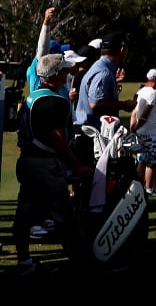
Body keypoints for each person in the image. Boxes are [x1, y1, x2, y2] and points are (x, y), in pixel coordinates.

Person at [12, 53, 94, 275]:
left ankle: (24, 261)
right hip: (46, 164)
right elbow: (57, 137)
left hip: (27, 161)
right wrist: (76, 166)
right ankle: (80, 261)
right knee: (62, 215)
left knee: (25, 212)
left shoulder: (32, 97)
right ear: (56, 74)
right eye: (65, 70)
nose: (68, 73)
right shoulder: (54, 100)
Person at [75, 32, 135, 167]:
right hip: (91, 136)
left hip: (90, 134)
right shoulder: (104, 72)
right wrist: (123, 105)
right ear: (122, 49)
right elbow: (95, 103)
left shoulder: (102, 68)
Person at [131, 69, 156, 196]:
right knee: (154, 161)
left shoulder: (140, 91)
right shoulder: (152, 93)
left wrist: (134, 126)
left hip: (142, 132)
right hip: (149, 133)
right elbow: (145, 113)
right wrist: (136, 126)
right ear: (154, 79)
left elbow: (134, 110)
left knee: (145, 160)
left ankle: (144, 188)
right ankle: (148, 189)